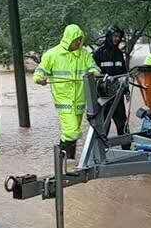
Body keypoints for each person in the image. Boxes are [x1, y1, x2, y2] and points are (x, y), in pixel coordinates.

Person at [33, 25, 100, 168]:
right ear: (69, 39)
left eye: (80, 41)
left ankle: (68, 161)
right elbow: (40, 71)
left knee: (73, 129)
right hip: (64, 100)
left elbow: (93, 67)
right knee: (72, 131)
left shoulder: (84, 54)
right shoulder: (52, 54)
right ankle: (62, 155)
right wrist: (39, 78)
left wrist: (94, 72)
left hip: (80, 100)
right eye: (76, 40)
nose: (78, 43)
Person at [92, 26, 131, 150]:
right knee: (104, 124)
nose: (117, 39)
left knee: (122, 123)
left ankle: (127, 149)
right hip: (103, 96)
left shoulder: (119, 53)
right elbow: (92, 73)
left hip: (117, 94)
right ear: (109, 36)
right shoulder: (98, 53)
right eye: (114, 36)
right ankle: (101, 150)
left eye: (119, 37)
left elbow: (124, 73)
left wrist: (126, 90)